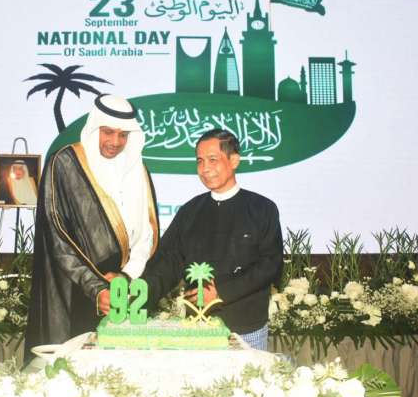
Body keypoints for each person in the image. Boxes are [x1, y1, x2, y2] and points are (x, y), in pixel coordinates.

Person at [24, 94, 159, 355]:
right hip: (75, 290)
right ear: (95, 127)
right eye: (108, 132)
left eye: (123, 135)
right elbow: (57, 238)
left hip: (124, 290)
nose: (115, 142)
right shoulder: (64, 163)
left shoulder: (137, 170)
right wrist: (97, 288)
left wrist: (126, 276)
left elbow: (146, 234)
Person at [140, 128, 284, 350]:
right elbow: (167, 262)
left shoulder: (262, 208)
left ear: (234, 160)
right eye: (200, 161)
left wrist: (221, 291)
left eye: (212, 160)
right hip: (198, 328)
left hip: (246, 328)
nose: (205, 168)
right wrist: (138, 296)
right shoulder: (190, 211)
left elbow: (270, 266)